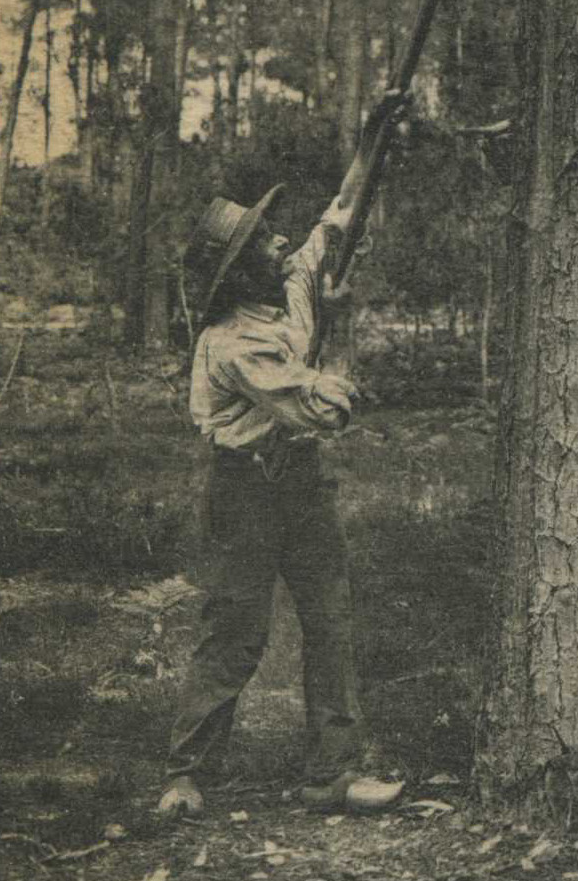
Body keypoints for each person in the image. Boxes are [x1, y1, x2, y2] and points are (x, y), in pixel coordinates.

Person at [157, 174, 402, 823]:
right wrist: (341, 327)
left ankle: (334, 773)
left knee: (330, 616)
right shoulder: (236, 344)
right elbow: (327, 407)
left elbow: (333, 222)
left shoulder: (283, 286)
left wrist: (372, 136)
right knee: (236, 633)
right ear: (237, 274)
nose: (281, 242)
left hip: (299, 481)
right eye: (264, 241)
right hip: (245, 493)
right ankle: (185, 776)